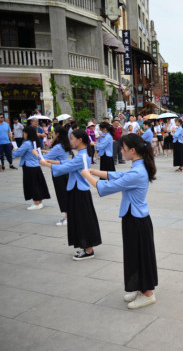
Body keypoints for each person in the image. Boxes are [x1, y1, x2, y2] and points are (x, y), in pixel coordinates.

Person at [82, 134, 158, 309]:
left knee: (140, 256)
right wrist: (96, 172)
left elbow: (107, 187)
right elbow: (118, 176)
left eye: (123, 148)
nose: (121, 151)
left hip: (137, 221)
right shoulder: (138, 166)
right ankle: (139, 287)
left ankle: (147, 293)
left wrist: (87, 174)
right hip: (134, 218)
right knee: (134, 254)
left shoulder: (137, 171)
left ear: (132, 150)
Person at [40, 129, 102, 260]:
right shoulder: (82, 154)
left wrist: (46, 164)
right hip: (77, 190)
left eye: (72, 138)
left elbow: (65, 168)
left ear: (80, 140)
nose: (70, 141)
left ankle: (89, 249)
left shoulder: (81, 156)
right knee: (80, 220)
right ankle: (86, 247)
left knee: (83, 220)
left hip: (80, 192)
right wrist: (53, 162)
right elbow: (68, 164)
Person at [36, 126, 71, 225]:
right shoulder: (64, 144)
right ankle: (69, 216)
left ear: (58, 134)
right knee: (66, 194)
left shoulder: (58, 147)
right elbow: (55, 154)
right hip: (65, 172)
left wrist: (35, 153)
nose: (52, 134)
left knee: (62, 195)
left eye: (54, 132)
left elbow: (43, 160)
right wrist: (45, 151)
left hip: (59, 173)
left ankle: (67, 217)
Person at [12, 126, 51, 209]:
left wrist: (13, 150)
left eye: (24, 132)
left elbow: (19, 153)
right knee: (38, 184)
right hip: (36, 165)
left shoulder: (27, 143)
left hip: (29, 166)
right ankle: (39, 202)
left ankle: (36, 203)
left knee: (32, 185)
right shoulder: (35, 142)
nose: (23, 134)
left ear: (27, 133)